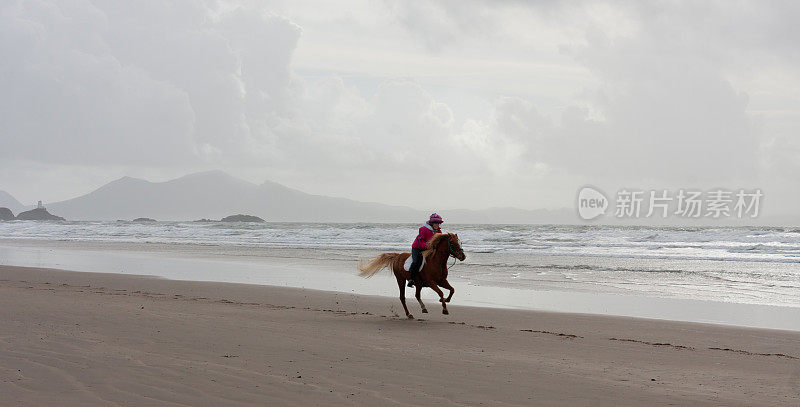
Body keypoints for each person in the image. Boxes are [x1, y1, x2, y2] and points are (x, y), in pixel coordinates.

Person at [407, 213, 443, 287]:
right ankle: (411, 279)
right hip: (418, 248)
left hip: (429, 249)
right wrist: (428, 247)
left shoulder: (439, 231)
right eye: (435, 223)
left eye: (438, 223)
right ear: (431, 223)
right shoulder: (423, 229)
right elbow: (420, 242)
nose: (437, 225)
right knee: (416, 261)